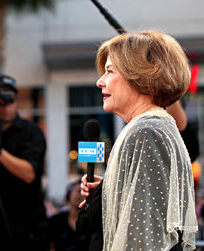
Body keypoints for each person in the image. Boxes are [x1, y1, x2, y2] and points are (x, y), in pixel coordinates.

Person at [80, 30, 198, 250]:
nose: (100, 82)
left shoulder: (146, 131)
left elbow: (144, 237)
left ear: (140, 76)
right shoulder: (151, 127)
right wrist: (106, 193)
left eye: (110, 71)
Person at [0, 75, 49, 250]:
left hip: (30, 231)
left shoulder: (30, 131)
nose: (7, 106)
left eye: (11, 100)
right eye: (1, 101)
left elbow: (29, 173)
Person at [48, 179, 84, 251]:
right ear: (69, 194)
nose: (81, 196)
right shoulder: (55, 221)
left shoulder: (92, 222)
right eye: (78, 191)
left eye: (84, 193)